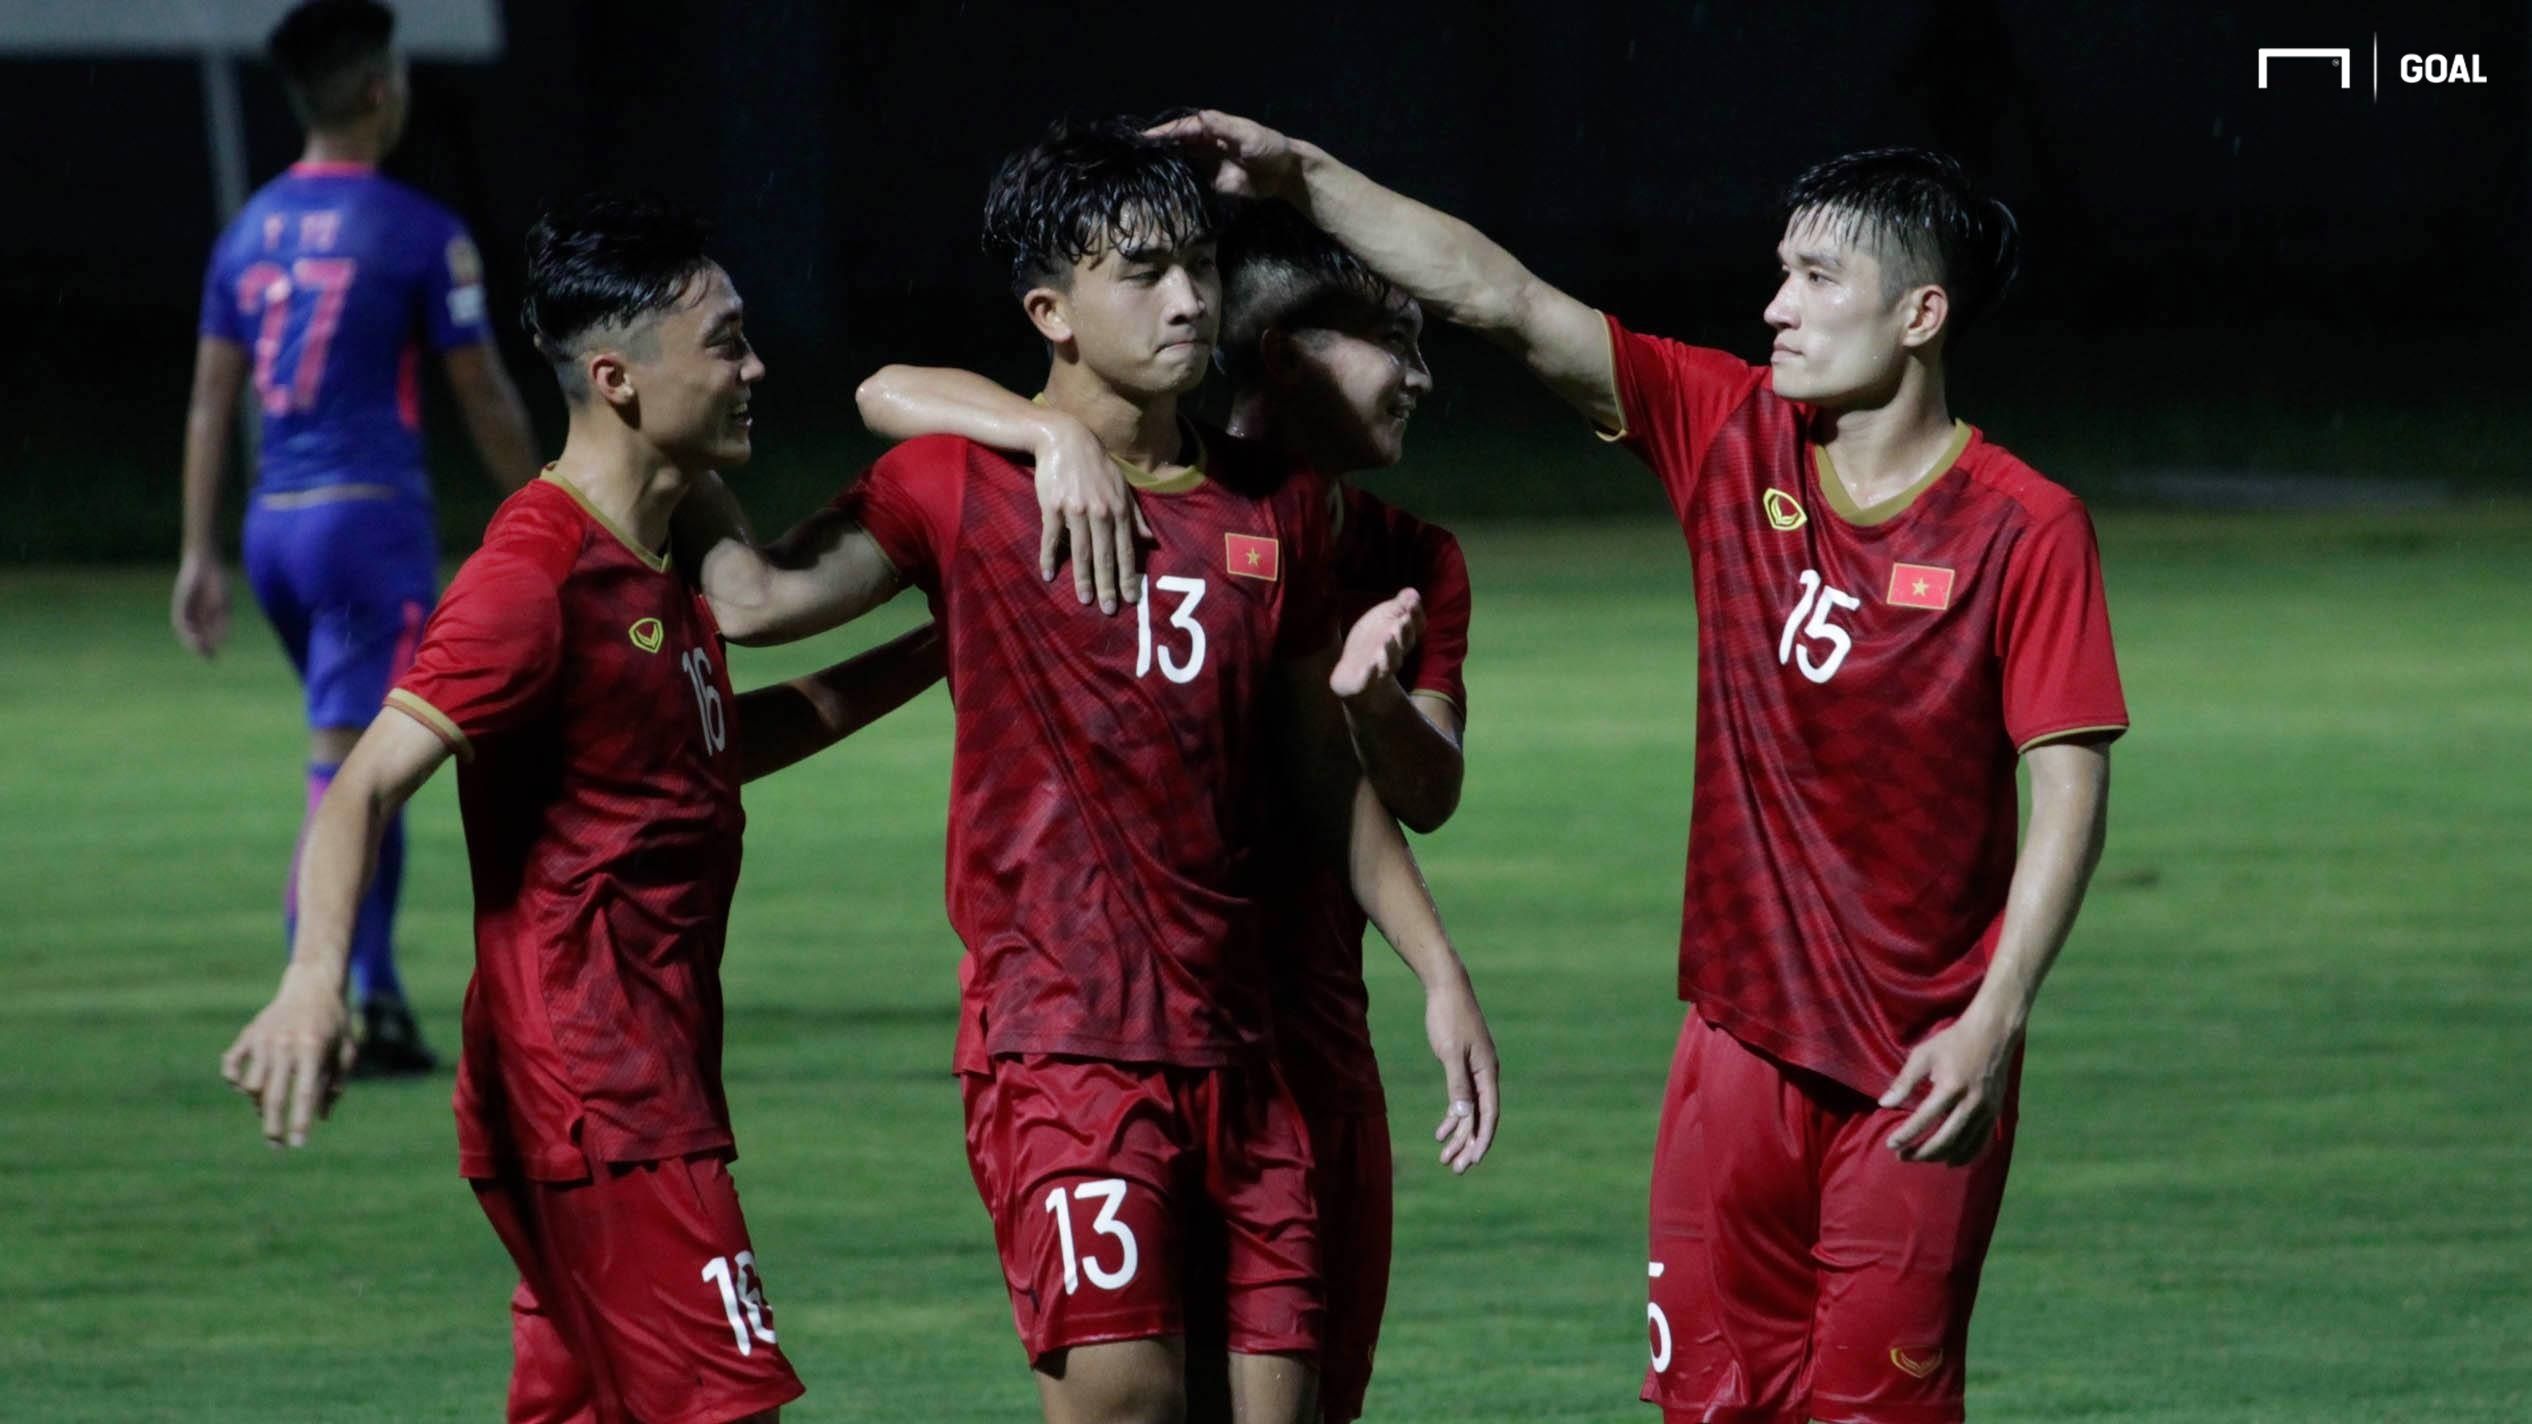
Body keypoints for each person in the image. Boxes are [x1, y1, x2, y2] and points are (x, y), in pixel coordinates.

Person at [1155, 111, 2128, 1423]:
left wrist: (1994, 1021)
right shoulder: (1731, 433)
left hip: (1923, 1061)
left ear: (1921, 315)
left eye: (1817, 277)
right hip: (1735, 1047)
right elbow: (1501, 298)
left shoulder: (2024, 526)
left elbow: (2069, 790)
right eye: (1779, 272)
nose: (1776, 306)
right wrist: (1305, 177)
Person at [675, 117, 1496, 1424]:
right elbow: (757, 601)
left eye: (1198, 266)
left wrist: (1440, 972)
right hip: (1064, 1047)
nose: (1188, 299)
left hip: (1251, 1052)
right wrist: (672, 458)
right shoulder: (961, 483)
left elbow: (1319, 776)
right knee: (1124, 1398)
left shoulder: (1275, 508)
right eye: (1144, 272)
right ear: (1050, 312)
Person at [220, 194, 944, 1424]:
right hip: (601, 1095)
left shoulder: (661, 545)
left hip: (615, 1080)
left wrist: (942, 646)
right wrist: (313, 979)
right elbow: (364, 784)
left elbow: (701, 750)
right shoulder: (533, 580)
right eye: (725, 343)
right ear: (617, 378)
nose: (755, 369)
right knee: (730, 1407)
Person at [177, 0, 541, 1074]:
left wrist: (197, 550)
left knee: (371, 750)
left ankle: (371, 988)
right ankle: (331, 998)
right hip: (363, 529)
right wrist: (551, 509)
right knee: (353, 772)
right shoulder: (419, 231)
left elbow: (210, 402)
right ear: (381, 91)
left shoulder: (247, 230)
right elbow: (482, 394)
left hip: (274, 530)